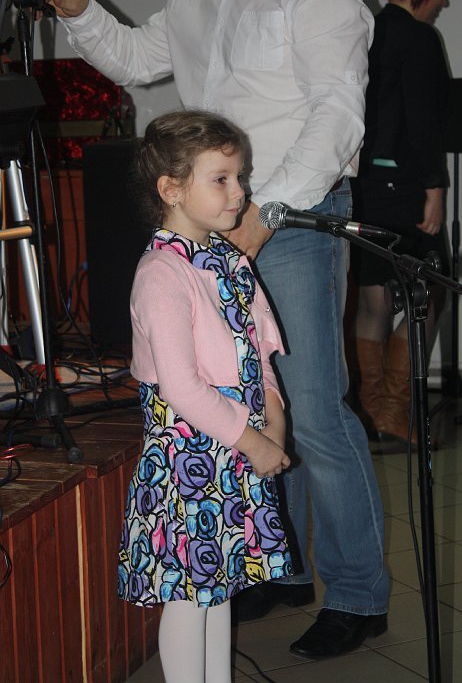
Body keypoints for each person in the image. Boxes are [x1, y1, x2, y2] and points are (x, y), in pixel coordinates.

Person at [41, 0, 389, 658]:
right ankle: (279, 568)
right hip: (211, 225)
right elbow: (137, 59)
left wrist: (266, 213)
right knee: (241, 398)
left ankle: (358, 593)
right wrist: (84, 13)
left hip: (290, 217)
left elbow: (337, 114)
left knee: (310, 409)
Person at [118, 109, 292, 683]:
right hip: (188, 459)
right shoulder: (161, 274)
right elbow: (182, 387)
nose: (240, 192)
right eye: (221, 179)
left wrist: (274, 424)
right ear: (172, 189)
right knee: (190, 595)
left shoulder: (230, 260)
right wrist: (252, 441)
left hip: (234, 450)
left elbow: (259, 353)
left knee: (218, 589)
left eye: (240, 177)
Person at [349, 0, 460, 448]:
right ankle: (394, 413)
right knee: (430, 292)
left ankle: (373, 414)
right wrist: (435, 187)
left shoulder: (368, 31)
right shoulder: (418, 38)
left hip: (365, 185)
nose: (444, 1)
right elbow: (423, 121)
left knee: (374, 298)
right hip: (405, 187)